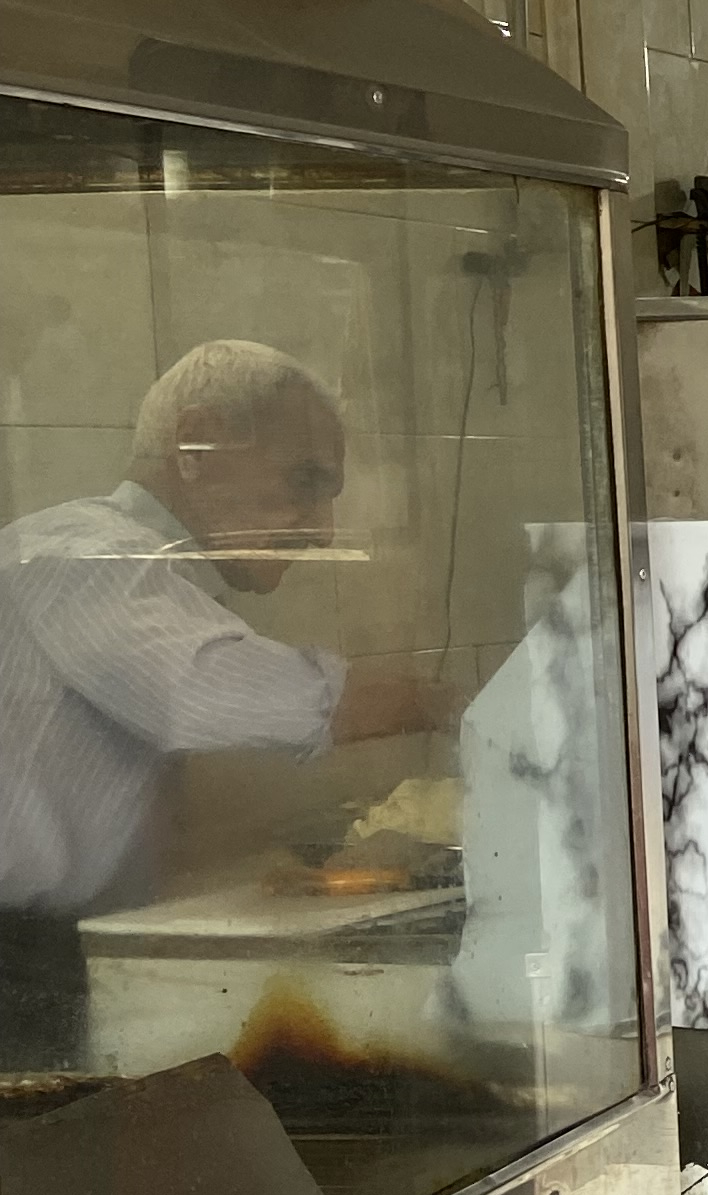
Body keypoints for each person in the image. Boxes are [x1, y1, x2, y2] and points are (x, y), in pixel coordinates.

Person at [0, 339, 458, 1064]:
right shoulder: (78, 554)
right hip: (16, 965)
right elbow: (205, 694)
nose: (323, 531)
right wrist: (446, 705)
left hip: (59, 951)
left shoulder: (158, 578)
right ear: (196, 443)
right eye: (305, 482)